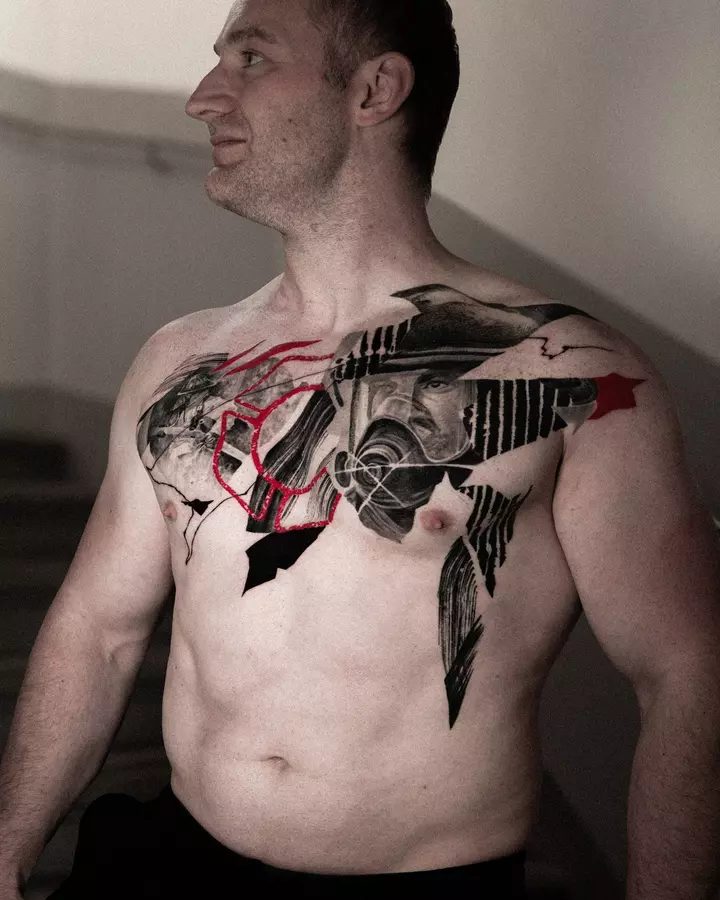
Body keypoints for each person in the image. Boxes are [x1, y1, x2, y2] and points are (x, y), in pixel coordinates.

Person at [1, 0, 719, 897]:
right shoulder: (178, 360)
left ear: (376, 89)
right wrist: (10, 843)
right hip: (173, 857)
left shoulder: (573, 373)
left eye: (251, 58)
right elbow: (98, 630)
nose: (202, 97)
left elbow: (686, 671)